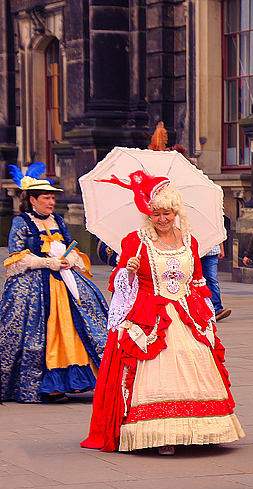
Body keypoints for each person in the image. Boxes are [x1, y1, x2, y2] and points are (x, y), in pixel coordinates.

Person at [81, 171, 244, 455]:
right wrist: (128, 271)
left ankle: (196, 429)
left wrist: (204, 311)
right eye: (156, 214)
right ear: (148, 214)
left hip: (185, 311)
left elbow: (196, 280)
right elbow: (121, 284)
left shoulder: (189, 241)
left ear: (175, 212)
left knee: (193, 360)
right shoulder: (135, 241)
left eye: (167, 213)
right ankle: (160, 433)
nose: (162, 219)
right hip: (150, 313)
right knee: (155, 366)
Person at [1, 162, 109, 403]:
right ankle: (47, 385)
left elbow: (72, 246)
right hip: (33, 286)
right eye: (46, 198)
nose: (51, 203)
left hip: (66, 281)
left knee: (85, 322)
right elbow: (15, 256)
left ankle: (79, 380)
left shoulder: (58, 220)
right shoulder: (21, 223)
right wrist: (46, 263)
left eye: (52, 198)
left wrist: (70, 259)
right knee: (34, 331)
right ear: (32, 200)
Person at [201, 240, 231, 321]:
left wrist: (221, 248)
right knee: (195, 281)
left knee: (212, 279)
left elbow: (218, 231)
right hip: (195, 250)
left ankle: (217, 309)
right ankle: (199, 309)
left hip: (211, 251)